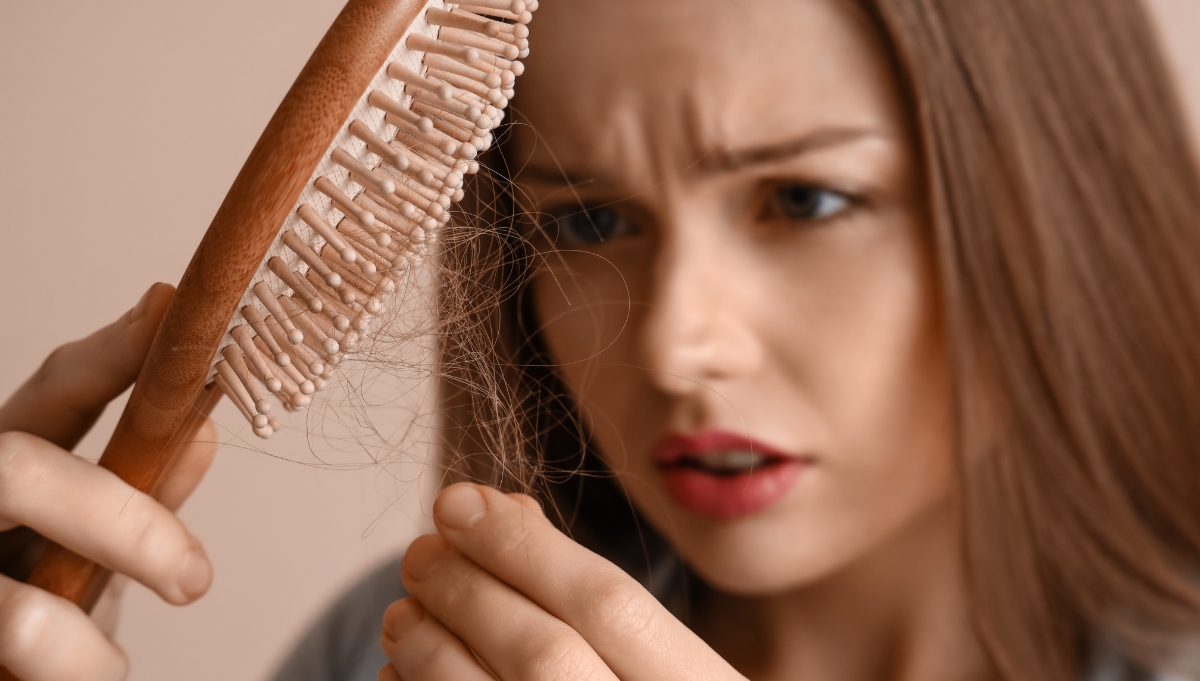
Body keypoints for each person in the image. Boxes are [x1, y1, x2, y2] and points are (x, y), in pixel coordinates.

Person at [3, 0, 1200, 679]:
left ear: (1055, 201)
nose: (678, 348)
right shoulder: (394, 650)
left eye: (804, 200)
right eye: (587, 219)